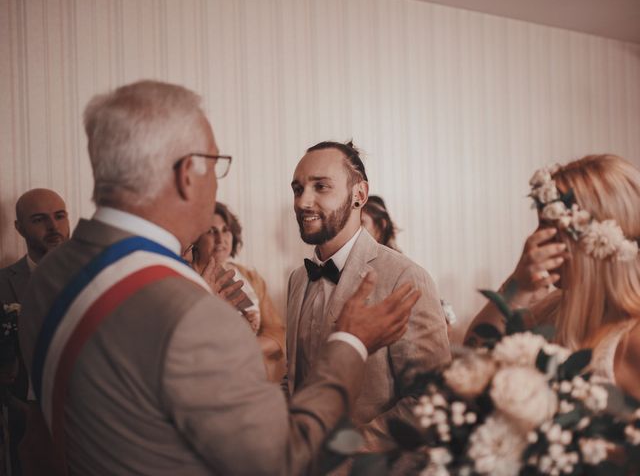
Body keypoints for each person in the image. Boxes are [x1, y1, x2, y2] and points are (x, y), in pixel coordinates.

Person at [18, 80, 422, 475]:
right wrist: (350, 341)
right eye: (215, 163)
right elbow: (282, 458)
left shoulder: (50, 274)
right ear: (186, 174)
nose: (302, 201)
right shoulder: (191, 312)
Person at [286, 141, 451, 450]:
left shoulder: (406, 278)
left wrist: (341, 456)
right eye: (297, 189)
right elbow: (296, 379)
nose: (303, 202)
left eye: (321, 187)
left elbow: (431, 402)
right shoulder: (297, 280)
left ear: (359, 195)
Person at [465, 154, 640, 401]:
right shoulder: (551, 310)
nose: (535, 239)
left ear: (595, 242)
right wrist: (518, 286)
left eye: (549, 227)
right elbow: (472, 367)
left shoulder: (632, 340)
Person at [0, 188, 70, 476]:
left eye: (60, 216)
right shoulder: (3, 284)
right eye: (40, 220)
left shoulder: (99, 275)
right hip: (27, 420)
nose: (53, 227)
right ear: (19, 228)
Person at [191, 202, 286, 382]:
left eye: (226, 230)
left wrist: (246, 346)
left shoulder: (251, 278)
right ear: (195, 238)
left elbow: (278, 333)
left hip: (254, 379)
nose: (221, 239)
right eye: (211, 231)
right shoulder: (185, 278)